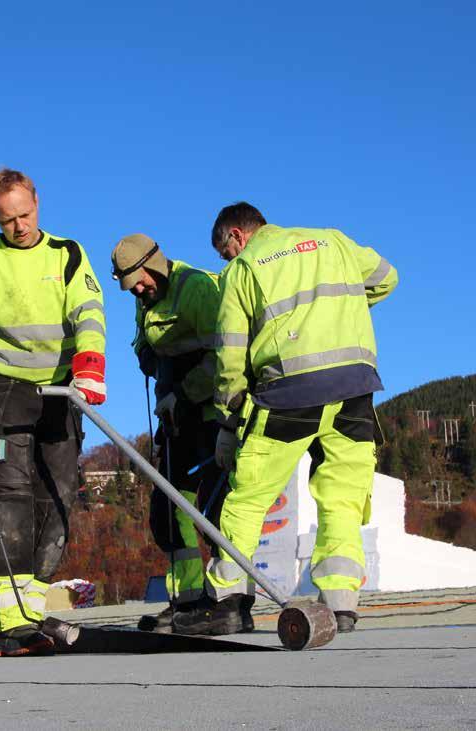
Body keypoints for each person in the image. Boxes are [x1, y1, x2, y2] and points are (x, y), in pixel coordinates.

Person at [174, 202, 398, 635]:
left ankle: (228, 603)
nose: (227, 261)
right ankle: (340, 604)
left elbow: (230, 354)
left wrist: (227, 419)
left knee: (247, 497)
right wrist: (337, 313)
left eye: (225, 253)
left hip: (288, 391)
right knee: (343, 496)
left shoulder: (244, 269)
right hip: (354, 385)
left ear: (236, 237)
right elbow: (387, 278)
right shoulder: (334, 240)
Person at [0, 168, 106, 656]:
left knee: (59, 489)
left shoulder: (67, 254)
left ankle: (32, 606)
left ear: (37, 203)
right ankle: (8, 620)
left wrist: (90, 367)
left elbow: (88, 312)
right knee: (9, 492)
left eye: (26, 214)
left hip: (61, 387)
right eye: (8, 219)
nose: (20, 227)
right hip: (2, 387)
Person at [111, 234, 253, 634]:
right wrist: (148, 358)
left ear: (155, 265)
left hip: (212, 416)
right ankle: (187, 600)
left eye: (140, 281)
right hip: (177, 421)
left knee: (217, 508)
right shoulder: (147, 300)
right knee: (169, 511)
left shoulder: (198, 290)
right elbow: (144, 343)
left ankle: (231, 601)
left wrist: (186, 394)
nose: (138, 291)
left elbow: (228, 356)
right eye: (130, 287)